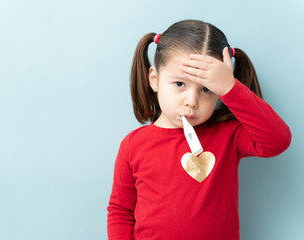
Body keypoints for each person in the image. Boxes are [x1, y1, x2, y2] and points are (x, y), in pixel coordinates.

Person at [107, 19, 291, 240]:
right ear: (154, 80)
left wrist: (230, 88)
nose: (192, 101)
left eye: (206, 89)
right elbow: (121, 211)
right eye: (179, 84)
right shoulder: (133, 145)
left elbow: (277, 141)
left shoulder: (229, 135)